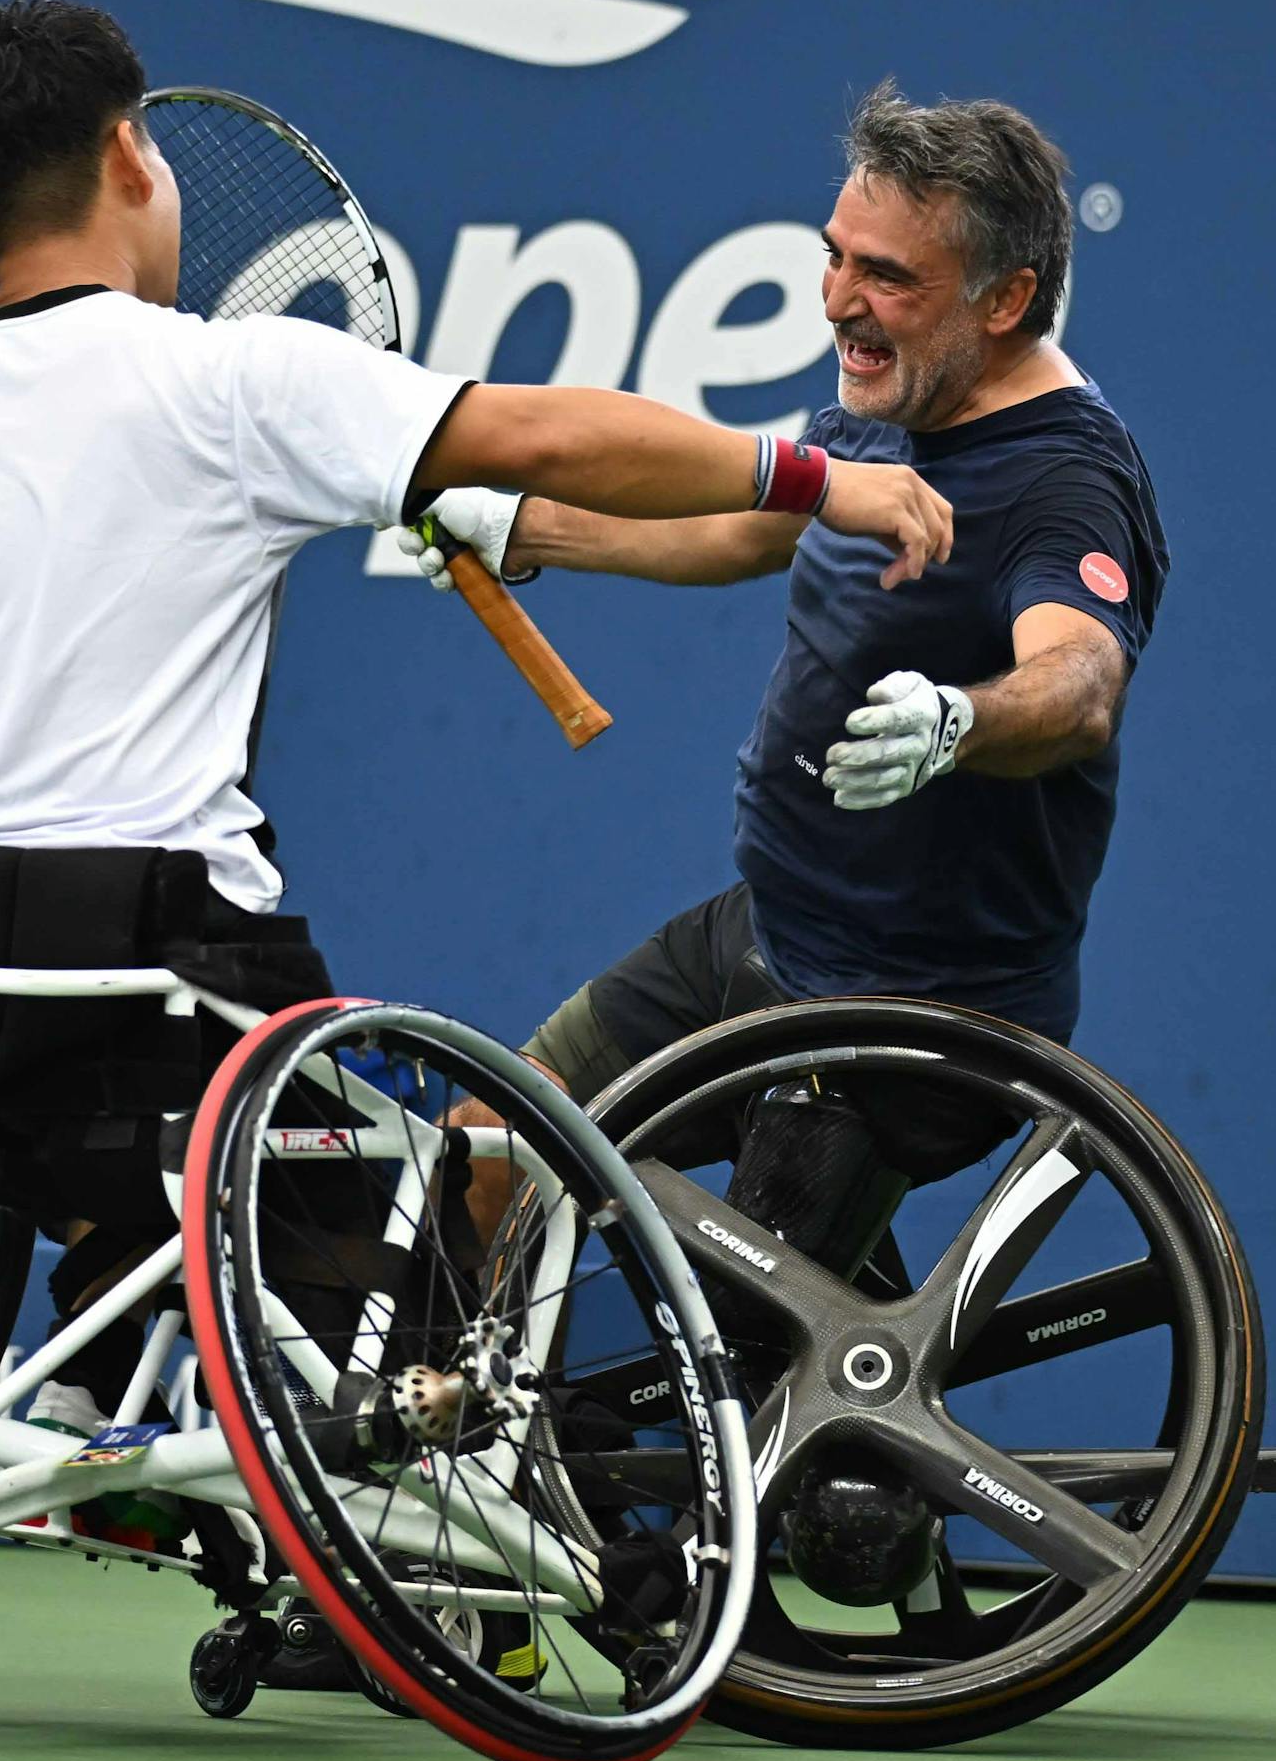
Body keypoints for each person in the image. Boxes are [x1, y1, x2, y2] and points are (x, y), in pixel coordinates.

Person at [0, 0, 953, 1504]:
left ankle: (116, 1301)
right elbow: (536, 435)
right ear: (133, 154)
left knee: (136, 1152)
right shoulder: (231, 377)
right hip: (160, 999)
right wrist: (810, 475)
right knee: (430, 1202)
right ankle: (429, 1528)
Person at [405, 84, 1165, 1192]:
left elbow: (1081, 679)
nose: (838, 302)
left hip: (913, 1027)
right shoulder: (896, 390)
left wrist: (961, 722)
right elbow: (749, 528)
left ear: (1007, 300)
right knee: (486, 1163)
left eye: (888, 277)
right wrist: (528, 527)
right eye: (837, 257)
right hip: (762, 935)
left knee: (766, 1362)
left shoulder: (1067, 479)